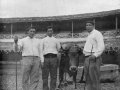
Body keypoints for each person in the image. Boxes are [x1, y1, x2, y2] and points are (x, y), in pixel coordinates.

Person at [83, 21, 105, 90]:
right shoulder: (89, 34)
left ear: (93, 26)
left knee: (94, 77)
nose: (88, 26)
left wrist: (95, 55)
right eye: (86, 25)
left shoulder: (97, 33)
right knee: (87, 77)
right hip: (87, 58)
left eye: (90, 25)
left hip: (93, 58)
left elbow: (101, 46)